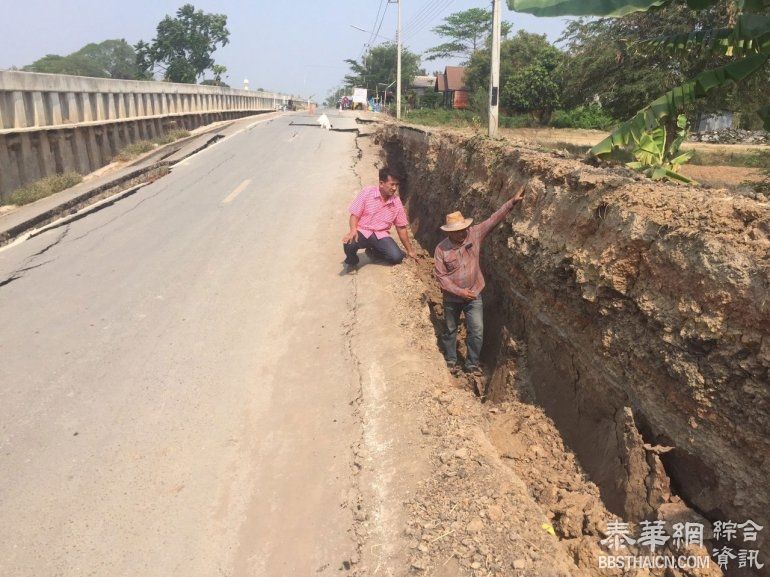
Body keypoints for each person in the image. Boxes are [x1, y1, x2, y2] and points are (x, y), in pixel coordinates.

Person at [433, 184, 526, 375]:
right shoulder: (441, 249)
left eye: (464, 228)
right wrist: (460, 292)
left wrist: (512, 203)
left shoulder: (474, 234)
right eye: (458, 230)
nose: (463, 232)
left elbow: (493, 219)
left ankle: (472, 364)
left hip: (474, 294)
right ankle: (451, 360)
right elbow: (441, 277)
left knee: (477, 330)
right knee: (451, 329)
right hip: (452, 297)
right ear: (449, 232)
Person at [342, 167, 417, 273]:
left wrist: (410, 250)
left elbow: (401, 228)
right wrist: (353, 230)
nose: (395, 188)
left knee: (396, 257)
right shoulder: (367, 192)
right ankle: (352, 261)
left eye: (397, 185)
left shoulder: (396, 202)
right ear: (381, 183)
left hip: (381, 235)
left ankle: (374, 252)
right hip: (363, 231)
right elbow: (354, 215)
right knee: (349, 244)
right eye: (392, 184)